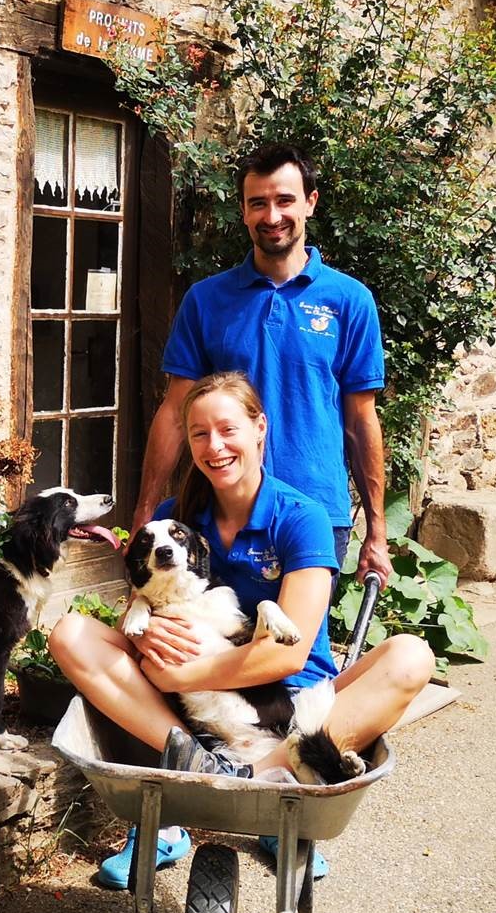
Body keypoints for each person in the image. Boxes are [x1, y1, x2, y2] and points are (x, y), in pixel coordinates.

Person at [50, 372, 433, 888]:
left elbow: (287, 657)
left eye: (228, 429)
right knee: (70, 633)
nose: (215, 446)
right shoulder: (175, 519)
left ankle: (270, 779)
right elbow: (141, 602)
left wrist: (178, 678)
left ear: (260, 428)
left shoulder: (301, 517)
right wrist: (139, 631)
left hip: (289, 699)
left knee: (411, 656)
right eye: (200, 434)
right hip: (190, 716)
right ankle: (195, 771)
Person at [131, 143, 391, 589]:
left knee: (293, 649)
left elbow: (360, 421)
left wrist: (378, 533)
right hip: (218, 514)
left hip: (314, 513)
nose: (272, 216)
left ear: (310, 202)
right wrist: (144, 511)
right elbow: (176, 412)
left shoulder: (349, 301)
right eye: (258, 203)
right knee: (202, 641)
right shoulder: (207, 301)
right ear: (244, 211)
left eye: (285, 200)